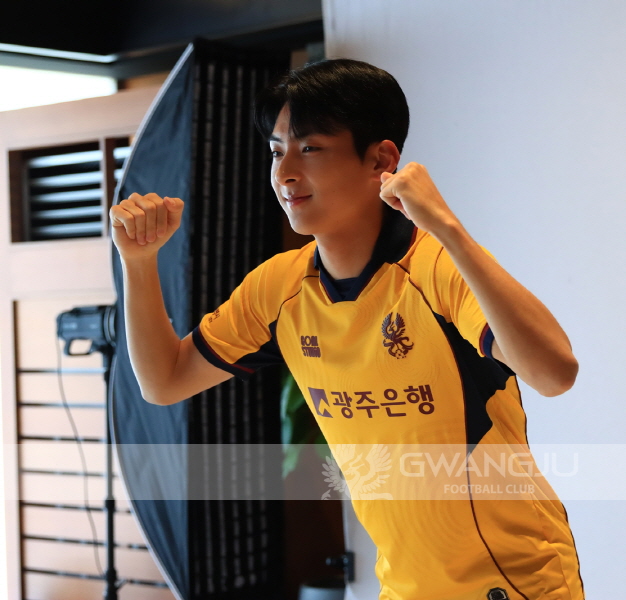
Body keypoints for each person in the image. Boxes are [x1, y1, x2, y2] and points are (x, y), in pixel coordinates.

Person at [110, 58, 584, 600]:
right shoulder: (279, 289)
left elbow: (554, 374)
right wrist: (138, 264)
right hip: (402, 587)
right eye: (277, 151)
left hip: (512, 583)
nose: (285, 173)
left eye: (310, 148)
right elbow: (164, 381)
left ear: (380, 159)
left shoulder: (435, 267)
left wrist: (447, 228)